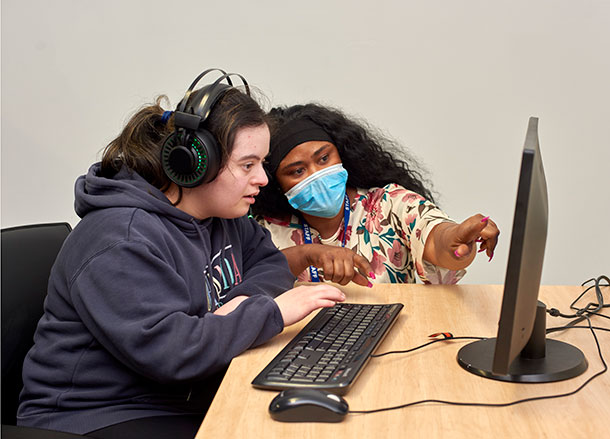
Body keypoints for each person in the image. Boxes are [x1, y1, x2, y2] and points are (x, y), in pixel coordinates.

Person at [17, 71, 345, 438]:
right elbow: (173, 353)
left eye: (262, 164)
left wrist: (236, 306)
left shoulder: (222, 215)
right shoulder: (119, 240)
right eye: (247, 165)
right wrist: (271, 311)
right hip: (99, 415)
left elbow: (268, 261)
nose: (263, 180)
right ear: (193, 164)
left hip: (180, 395)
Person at [252, 103, 500, 285]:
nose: (317, 174)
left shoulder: (388, 204)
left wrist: (455, 238)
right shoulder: (264, 229)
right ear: (274, 182)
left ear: (342, 154)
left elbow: (434, 236)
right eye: (297, 171)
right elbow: (252, 280)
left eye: (324, 158)